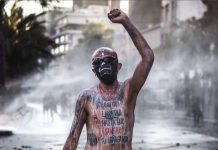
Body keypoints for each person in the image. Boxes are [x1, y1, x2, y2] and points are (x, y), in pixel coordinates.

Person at [63, 9, 154, 150]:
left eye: (108, 60)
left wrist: (126, 22)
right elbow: (72, 139)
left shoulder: (128, 91)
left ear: (118, 66)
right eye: (98, 62)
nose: (104, 64)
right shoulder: (86, 98)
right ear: (94, 71)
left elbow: (148, 57)